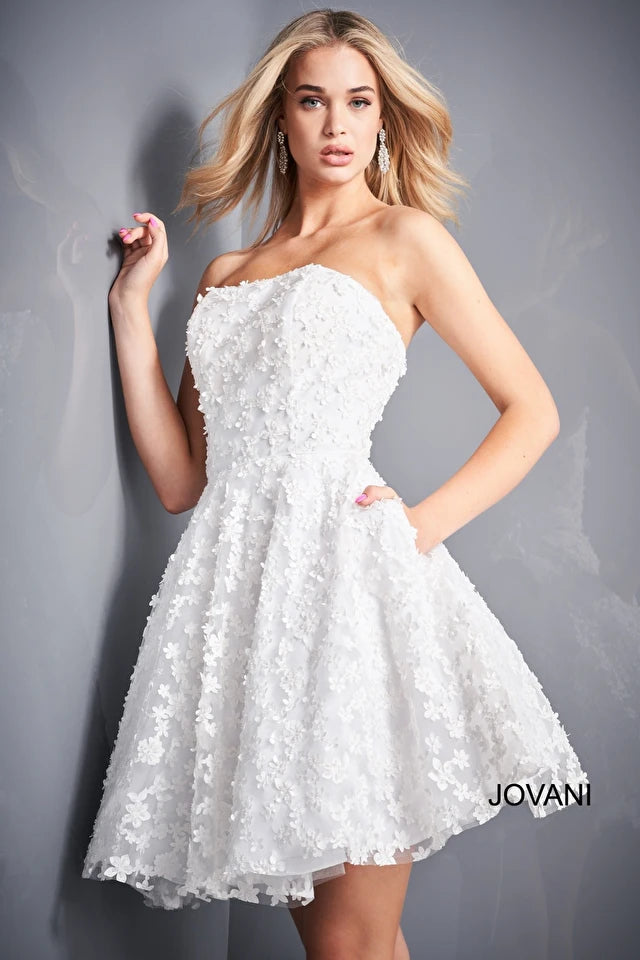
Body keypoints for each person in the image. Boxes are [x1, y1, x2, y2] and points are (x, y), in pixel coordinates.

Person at [82, 9, 589, 960]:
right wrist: (129, 307)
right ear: (282, 118)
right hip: (237, 613)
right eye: (313, 101)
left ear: (384, 119)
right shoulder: (227, 273)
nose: (337, 124)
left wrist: (419, 527)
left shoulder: (406, 240)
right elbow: (183, 481)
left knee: (351, 944)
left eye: (359, 102)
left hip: (347, 595)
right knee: (355, 944)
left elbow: (533, 410)